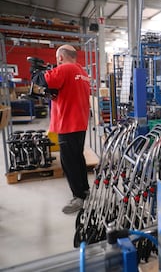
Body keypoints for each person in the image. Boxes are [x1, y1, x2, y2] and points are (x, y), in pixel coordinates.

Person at [31, 44, 91, 214]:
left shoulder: (65, 69)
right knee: (77, 158)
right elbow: (63, 91)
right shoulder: (82, 72)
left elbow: (44, 80)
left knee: (69, 162)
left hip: (68, 123)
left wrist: (35, 72)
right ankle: (84, 189)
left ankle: (78, 197)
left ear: (61, 57)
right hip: (79, 122)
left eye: (58, 59)